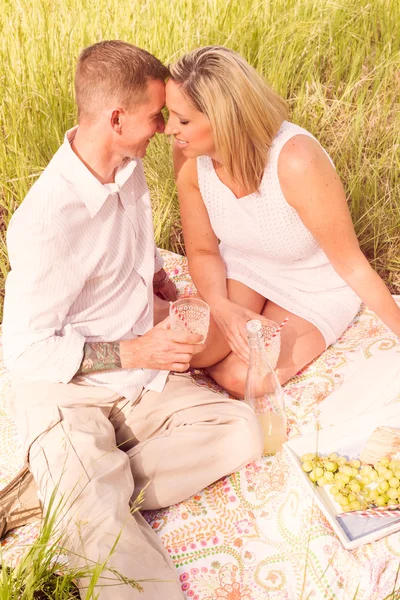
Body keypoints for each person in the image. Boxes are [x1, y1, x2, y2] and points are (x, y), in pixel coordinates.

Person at [0, 41, 263, 599]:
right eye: (156, 115)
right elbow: (22, 349)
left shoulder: (127, 169)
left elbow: (127, 252)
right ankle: (84, 497)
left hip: (137, 385)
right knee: (113, 546)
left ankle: (56, 495)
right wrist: (136, 351)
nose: (166, 127)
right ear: (117, 119)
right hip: (66, 391)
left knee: (242, 429)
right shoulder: (46, 222)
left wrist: (152, 280)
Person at [164, 45, 400, 398]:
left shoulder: (295, 161)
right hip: (245, 267)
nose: (169, 130)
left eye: (183, 121)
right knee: (193, 347)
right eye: (171, 115)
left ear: (225, 117)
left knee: (246, 378)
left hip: (315, 285)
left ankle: (254, 338)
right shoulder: (190, 157)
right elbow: (201, 249)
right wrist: (222, 307)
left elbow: (352, 265)